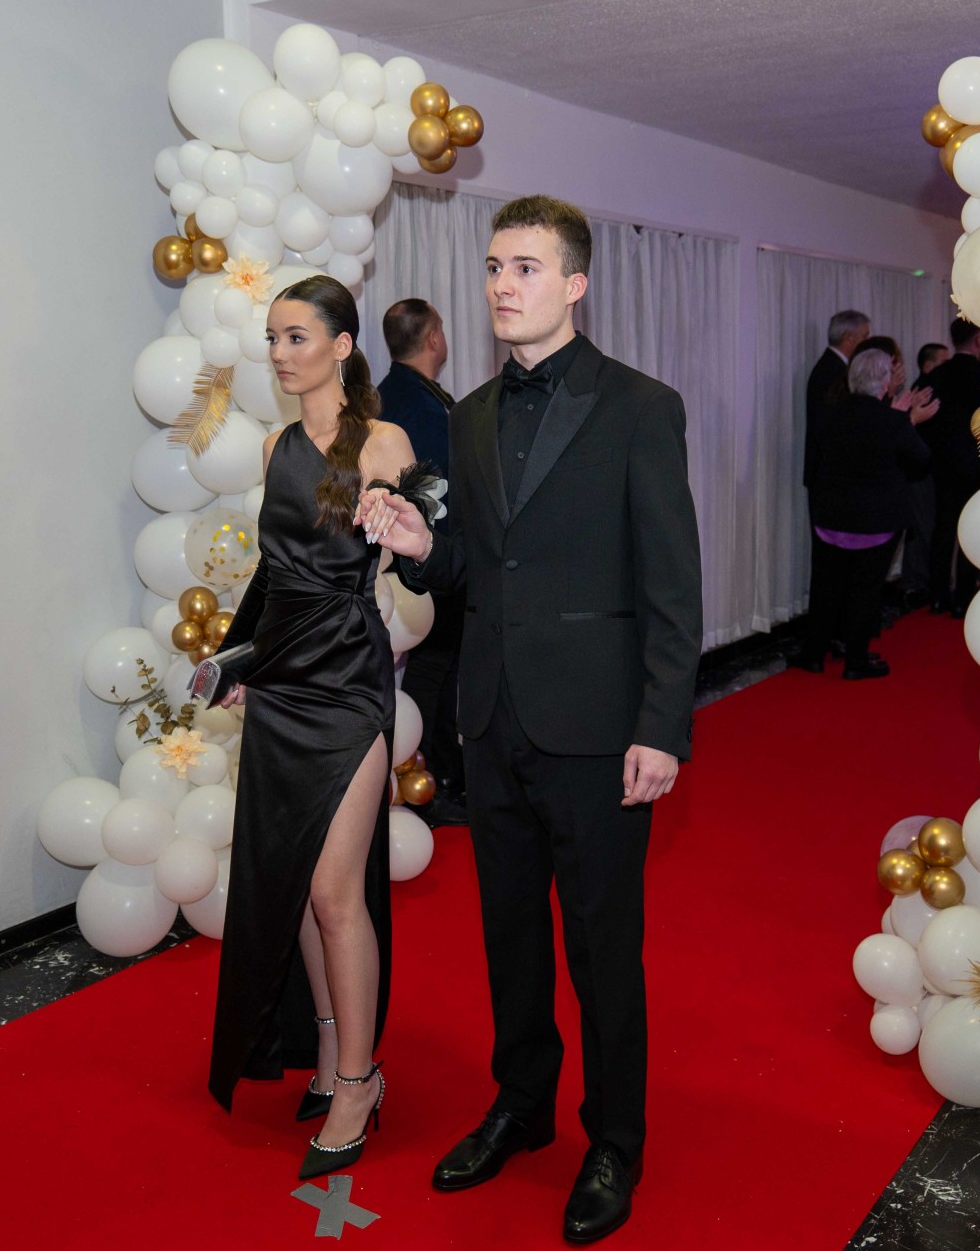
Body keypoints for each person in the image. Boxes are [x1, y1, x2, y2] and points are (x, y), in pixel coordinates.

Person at [357, 194, 702, 1245]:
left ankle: (615, 1137)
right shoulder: (468, 414)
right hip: (492, 718)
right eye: (494, 266)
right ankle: (521, 1103)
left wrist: (662, 724)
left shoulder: (641, 406)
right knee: (507, 934)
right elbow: (475, 563)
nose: (503, 285)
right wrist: (423, 546)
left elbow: (671, 580)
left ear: (575, 282)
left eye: (526, 268)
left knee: (602, 946)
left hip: (599, 727)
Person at [205, 275, 421, 1181]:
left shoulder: (384, 440)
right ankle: (331, 1043)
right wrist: (236, 661)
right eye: (273, 338)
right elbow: (272, 574)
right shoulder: (274, 447)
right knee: (295, 881)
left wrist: (401, 510)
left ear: (342, 344)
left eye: (297, 336)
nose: (281, 353)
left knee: (336, 891)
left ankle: (361, 1082)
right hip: (282, 681)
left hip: (348, 680)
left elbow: (415, 527)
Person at [376, 298, 466, 826]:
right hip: (430, 562)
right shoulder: (424, 409)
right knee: (436, 671)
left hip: (400, 562)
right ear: (434, 338)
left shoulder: (386, 395)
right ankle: (436, 782)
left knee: (431, 671)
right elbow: (439, 497)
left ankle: (436, 774)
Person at [810, 343, 935, 677]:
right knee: (864, 591)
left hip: (830, 516)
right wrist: (907, 420)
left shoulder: (829, 413)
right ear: (885, 382)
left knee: (826, 588)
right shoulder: (891, 420)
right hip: (875, 522)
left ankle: (814, 654)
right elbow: (921, 459)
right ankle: (855, 662)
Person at [794, 309, 870, 671]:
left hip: (830, 483)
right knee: (829, 569)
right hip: (830, 484)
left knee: (834, 569)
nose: (866, 344)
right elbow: (833, 433)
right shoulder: (832, 372)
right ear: (850, 338)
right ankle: (823, 642)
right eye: (865, 337)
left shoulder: (832, 369)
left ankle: (831, 638)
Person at [914, 318, 980, 616]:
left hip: (943, 465)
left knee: (943, 528)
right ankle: (963, 598)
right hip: (977, 464)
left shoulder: (936, 376)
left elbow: (923, 421)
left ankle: (938, 596)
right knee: (972, 530)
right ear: (978, 340)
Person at [896, 343, 950, 610]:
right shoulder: (925, 390)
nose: (947, 367)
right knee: (923, 528)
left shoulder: (924, 388)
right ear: (928, 365)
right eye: (943, 362)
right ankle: (917, 584)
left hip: (921, 470)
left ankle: (916, 583)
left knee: (921, 528)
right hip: (919, 472)